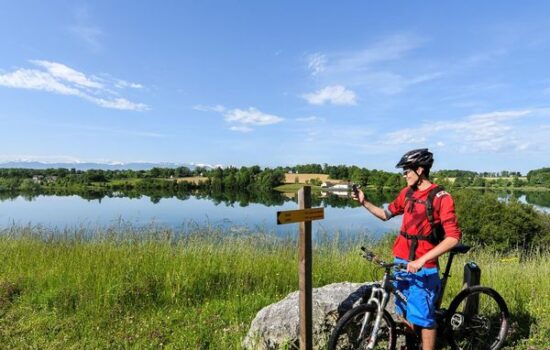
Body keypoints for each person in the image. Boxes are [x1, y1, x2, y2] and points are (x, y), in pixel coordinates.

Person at [352, 148, 461, 350]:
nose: (404, 175)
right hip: (401, 261)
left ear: (420, 170)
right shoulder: (407, 193)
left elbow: (453, 237)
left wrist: (421, 260)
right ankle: (412, 344)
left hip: (423, 267)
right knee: (404, 309)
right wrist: (364, 202)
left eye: (407, 171)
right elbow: (386, 214)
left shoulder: (441, 197)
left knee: (425, 318)